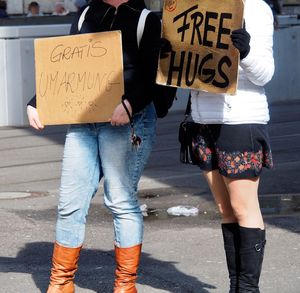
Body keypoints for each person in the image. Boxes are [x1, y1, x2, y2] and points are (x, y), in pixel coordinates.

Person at [26, 0, 161, 292]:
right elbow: (65, 67)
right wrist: (38, 102)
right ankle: (60, 284)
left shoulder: (146, 20)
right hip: (85, 119)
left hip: (128, 121)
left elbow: (154, 76)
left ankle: (125, 287)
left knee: (121, 202)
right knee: (69, 205)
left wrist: (129, 104)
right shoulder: (87, 13)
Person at [188, 0, 274, 292]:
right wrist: (171, 57)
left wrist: (246, 51)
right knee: (226, 209)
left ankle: (248, 289)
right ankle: (236, 286)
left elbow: (264, 75)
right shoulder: (195, 7)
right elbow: (187, 78)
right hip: (203, 121)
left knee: (243, 207)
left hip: (242, 120)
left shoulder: (255, 8)